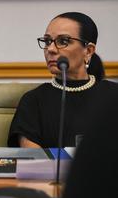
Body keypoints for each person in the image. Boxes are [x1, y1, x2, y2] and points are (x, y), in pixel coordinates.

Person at [7, 12, 118, 148]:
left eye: (63, 41)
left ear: (88, 51)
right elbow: (35, 162)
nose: (51, 49)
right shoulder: (34, 101)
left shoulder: (113, 96)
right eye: (47, 41)